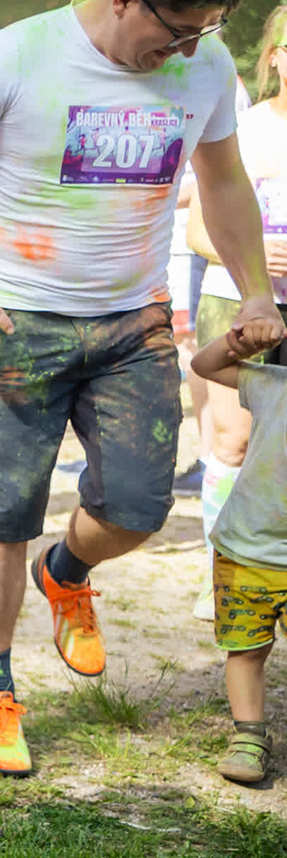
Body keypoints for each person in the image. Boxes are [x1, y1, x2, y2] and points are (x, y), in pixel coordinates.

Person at [0, 0, 282, 778]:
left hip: (134, 321)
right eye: (179, 32)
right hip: (16, 322)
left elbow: (222, 180)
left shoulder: (206, 63)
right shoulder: (18, 55)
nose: (190, 51)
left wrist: (254, 287)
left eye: (208, 31)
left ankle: (65, 571)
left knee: (139, 506)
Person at [187, 1, 287, 621]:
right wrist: (256, 255)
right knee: (232, 440)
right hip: (236, 297)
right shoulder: (244, 129)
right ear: (274, 57)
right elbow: (199, 231)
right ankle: (220, 570)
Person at [191, 314, 286, 784]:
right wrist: (238, 342)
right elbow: (203, 364)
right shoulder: (272, 384)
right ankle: (249, 736)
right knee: (246, 650)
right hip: (246, 551)